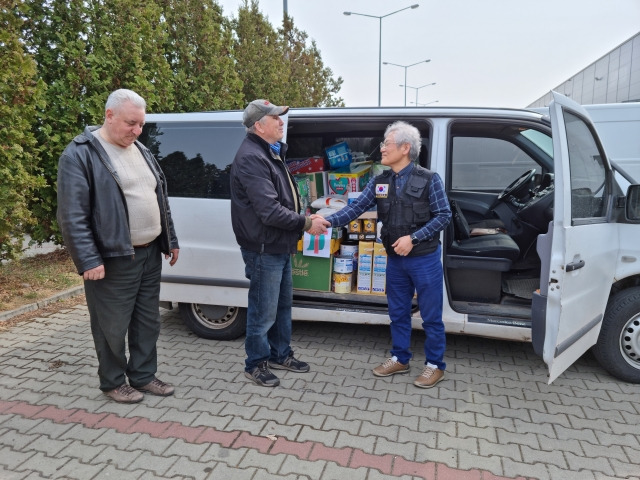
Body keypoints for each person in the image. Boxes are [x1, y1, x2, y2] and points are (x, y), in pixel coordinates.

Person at [57, 88, 180, 403]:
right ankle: (112, 382)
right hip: (111, 258)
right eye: (131, 123)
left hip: (150, 253)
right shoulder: (80, 154)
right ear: (109, 115)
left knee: (147, 320)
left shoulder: (140, 149)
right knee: (111, 325)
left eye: (141, 124)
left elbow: (159, 198)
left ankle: (142, 376)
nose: (137, 131)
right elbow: (72, 215)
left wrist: (169, 240)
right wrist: (88, 260)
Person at [323, 121, 451, 388]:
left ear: (405, 148)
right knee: (398, 312)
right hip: (395, 260)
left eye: (386, 143)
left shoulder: (429, 179)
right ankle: (400, 358)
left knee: (431, 316)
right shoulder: (380, 181)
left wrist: (413, 238)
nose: (381, 148)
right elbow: (355, 208)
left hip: (424, 259)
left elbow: (444, 216)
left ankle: (434, 365)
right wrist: (326, 222)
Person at [230, 99, 330, 387]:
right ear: (259, 125)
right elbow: (269, 210)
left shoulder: (269, 153)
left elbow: (281, 201)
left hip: (278, 244)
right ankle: (256, 363)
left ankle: (280, 354)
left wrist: (302, 217)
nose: (281, 122)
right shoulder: (252, 157)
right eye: (275, 118)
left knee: (281, 306)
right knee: (263, 310)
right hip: (263, 247)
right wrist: (307, 224)